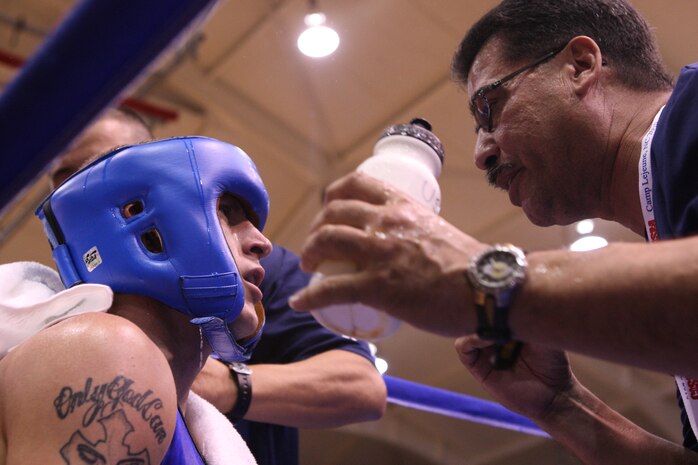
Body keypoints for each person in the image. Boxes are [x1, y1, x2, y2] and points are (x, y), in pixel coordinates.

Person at [289, 0, 698, 462]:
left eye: (489, 107)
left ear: (580, 66)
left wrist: (487, 278)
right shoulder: (668, 213)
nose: (481, 153)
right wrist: (563, 406)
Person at [49, 108, 387, 465]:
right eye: (66, 179)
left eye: (106, 165)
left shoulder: (256, 272)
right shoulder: (57, 324)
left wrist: (222, 384)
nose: (83, 190)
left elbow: (362, 385)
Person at [0, 136, 274, 464]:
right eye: (227, 213)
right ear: (139, 219)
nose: (262, 243)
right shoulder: (106, 352)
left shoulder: (187, 424)